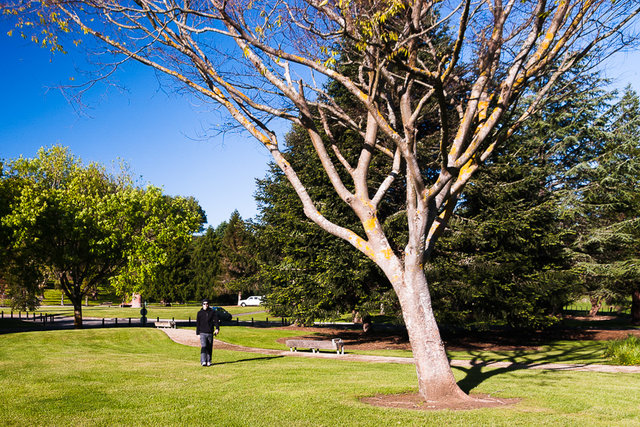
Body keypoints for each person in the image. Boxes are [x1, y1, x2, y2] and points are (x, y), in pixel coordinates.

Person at [195, 299, 220, 366]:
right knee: (204, 346)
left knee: (209, 347)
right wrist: (197, 333)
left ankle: (209, 361)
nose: (205, 305)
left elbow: (216, 321)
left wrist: (217, 328)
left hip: (210, 332)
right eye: (204, 304)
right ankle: (203, 361)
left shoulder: (212, 312)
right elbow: (198, 324)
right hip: (202, 332)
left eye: (207, 304)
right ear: (202, 304)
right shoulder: (199, 313)